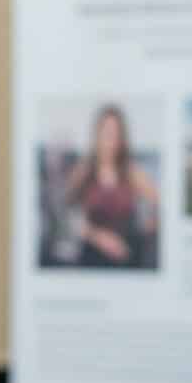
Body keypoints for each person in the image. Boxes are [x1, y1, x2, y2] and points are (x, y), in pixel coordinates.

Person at [64, 104, 159, 269]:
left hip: (127, 260)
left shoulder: (132, 172)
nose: (111, 139)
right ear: (97, 134)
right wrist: (98, 238)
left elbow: (161, 206)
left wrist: (147, 229)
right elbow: (65, 216)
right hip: (91, 260)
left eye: (116, 133)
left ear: (122, 138)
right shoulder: (83, 171)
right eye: (106, 132)